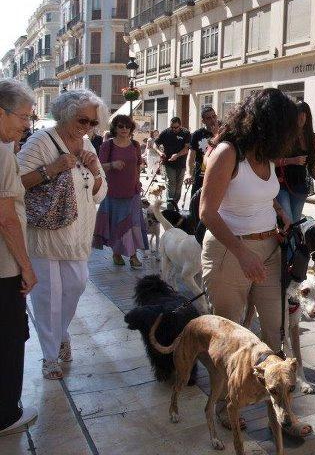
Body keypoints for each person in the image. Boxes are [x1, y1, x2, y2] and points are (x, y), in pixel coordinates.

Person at [199, 88, 312, 438]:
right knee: (230, 339)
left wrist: (279, 218)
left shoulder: (265, 156)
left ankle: (282, 415)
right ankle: (225, 405)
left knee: (274, 335)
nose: (291, 139)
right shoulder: (227, 152)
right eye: (286, 129)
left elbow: (263, 198)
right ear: (267, 124)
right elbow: (207, 212)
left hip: (269, 251)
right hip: (228, 253)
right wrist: (243, 251)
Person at [17, 89, 108, 379]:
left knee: (76, 285)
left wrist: (95, 172)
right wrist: (52, 169)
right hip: (45, 233)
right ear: (66, 114)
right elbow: (16, 184)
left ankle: (61, 333)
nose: (88, 128)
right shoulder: (40, 141)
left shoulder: (88, 146)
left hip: (77, 234)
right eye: (83, 121)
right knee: (47, 296)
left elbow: (99, 194)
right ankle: (49, 355)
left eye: (93, 123)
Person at [0, 79, 38, 437]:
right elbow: (7, 217)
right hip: (3, 268)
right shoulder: (2, 153)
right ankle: (6, 414)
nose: (27, 124)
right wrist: (27, 267)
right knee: (10, 340)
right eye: (24, 116)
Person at [92, 114, 148, 268]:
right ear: (115, 128)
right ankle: (117, 252)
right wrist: (112, 165)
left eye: (127, 126)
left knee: (132, 223)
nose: (124, 129)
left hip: (132, 191)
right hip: (113, 192)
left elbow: (137, 165)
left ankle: (133, 256)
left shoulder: (135, 145)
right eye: (120, 126)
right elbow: (98, 167)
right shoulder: (107, 146)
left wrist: (138, 181)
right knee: (118, 224)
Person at [275, 101, 315, 224]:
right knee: (286, 218)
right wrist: (291, 161)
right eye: (299, 115)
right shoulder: (285, 135)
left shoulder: (313, 139)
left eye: (304, 116)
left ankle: (292, 243)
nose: (301, 119)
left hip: (300, 186)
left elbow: (311, 166)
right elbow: (273, 162)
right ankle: (286, 242)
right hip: (282, 184)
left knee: (295, 221)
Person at [155, 118, 190, 211]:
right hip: (169, 164)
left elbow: (187, 149)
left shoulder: (186, 133)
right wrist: (160, 153)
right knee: (171, 186)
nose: (174, 129)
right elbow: (155, 144)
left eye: (176, 127)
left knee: (178, 187)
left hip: (181, 164)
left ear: (180, 125)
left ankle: (175, 206)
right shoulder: (166, 133)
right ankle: (169, 209)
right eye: (172, 127)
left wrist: (177, 155)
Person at [185, 106, 220, 198]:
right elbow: (191, 156)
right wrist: (188, 173)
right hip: (201, 172)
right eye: (208, 118)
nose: (213, 120)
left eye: (214, 116)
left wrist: (216, 134)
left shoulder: (223, 132)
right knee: (196, 201)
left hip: (218, 172)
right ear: (203, 121)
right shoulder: (197, 134)